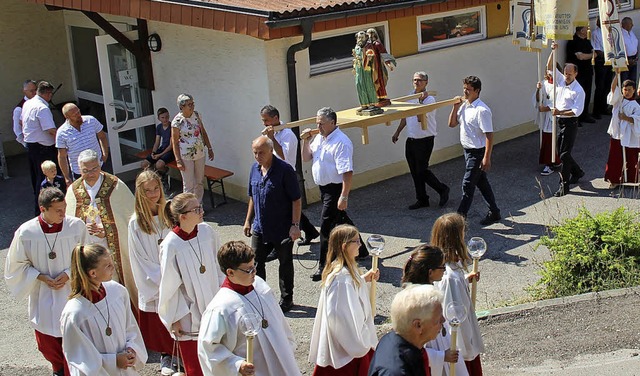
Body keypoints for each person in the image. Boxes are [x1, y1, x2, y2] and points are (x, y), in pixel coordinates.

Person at [5, 187, 87, 376]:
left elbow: (86, 256)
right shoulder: (26, 232)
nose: (63, 214)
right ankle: (58, 369)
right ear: (43, 209)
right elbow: (15, 265)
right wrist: (40, 277)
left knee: (77, 336)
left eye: (64, 208)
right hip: (43, 294)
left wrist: (68, 272)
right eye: (58, 210)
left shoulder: (76, 226)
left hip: (72, 291)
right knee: (48, 340)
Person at [198, 241, 301, 376]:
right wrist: (236, 364)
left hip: (281, 360)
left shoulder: (260, 285)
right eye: (248, 270)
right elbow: (208, 348)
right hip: (254, 369)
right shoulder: (221, 307)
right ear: (230, 272)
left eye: (254, 266)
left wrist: (287, 345)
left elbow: (279, 321)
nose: (254, 272)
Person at [158, 192, 223, 376]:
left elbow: (219, 267)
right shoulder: (171, 245)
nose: (201, 211)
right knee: (196, 368)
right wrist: (175, 318)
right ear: (183, 216)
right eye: (196, 209)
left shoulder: (207, 232)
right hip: (189, 315)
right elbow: (169, 287)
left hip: (213, 304)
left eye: (200, 206)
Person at [301, 107, 367, 281]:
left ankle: (323, 265)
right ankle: (363, 249)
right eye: (317, 122)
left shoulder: (341, 142)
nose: (318, 126)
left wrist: (344, 196)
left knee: (325, 228)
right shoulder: (319, 138)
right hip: (324, 189)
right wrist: (306, 141)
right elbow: (307, 158)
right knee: (342, 218)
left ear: (332, 122)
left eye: (321, 123)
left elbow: (347, 172)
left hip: (335, 189)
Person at [61, 244, 148, 375]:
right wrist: (113, 361)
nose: (113, 267)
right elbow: (80, 358)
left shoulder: (117, 291)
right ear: (93, 273)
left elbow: (130, 327)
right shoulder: (74, 313)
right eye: (107, 265)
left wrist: (132, 349)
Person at [65, 149, 137, 305]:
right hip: (86, 253)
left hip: (110, 252)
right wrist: (83, 229)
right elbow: (68, 225)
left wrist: (106, 231)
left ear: (100, 165)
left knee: (113, 291)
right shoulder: (73, 191)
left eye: (94, 169)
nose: (91, 173)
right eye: (85, 171)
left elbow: (131, 221)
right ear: (78, 170)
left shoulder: (116, 186)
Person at [309, 224, 379, 376]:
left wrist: (363, 280)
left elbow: (350, 290)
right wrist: (357, 343)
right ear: (344, 246)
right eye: (357, 241)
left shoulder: (348, 271)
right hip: (346, 349)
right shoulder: (341, 278)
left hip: (354, 342)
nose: (360, 245)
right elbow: (338, 315)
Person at [243, 136, 301, 312]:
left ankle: (287, 299)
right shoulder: (254, 169)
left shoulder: (285, 170)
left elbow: (296, 200)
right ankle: (260, 296)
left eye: (261, 152)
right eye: (255, 153)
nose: (257, 156)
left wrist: (295, 224)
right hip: (260, 227)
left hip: (282, 227)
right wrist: (248, 221)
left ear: (270, 151)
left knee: (284, 263)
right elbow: (252, 196)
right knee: (255, 262)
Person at [127, 170, 176, 375]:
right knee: (160, 318)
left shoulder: (169, 212)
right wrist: (162, 277)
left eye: (156, 188)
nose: (153, 194)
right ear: (140, 193)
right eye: (148, 191)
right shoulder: (136, 222)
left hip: (175, 273)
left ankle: (181, 353)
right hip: (154, 277)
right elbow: (139, 258)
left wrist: (175, 275)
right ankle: (167, 355)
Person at [401, 245, 468, 376]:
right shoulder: (416, 301)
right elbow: (412, 346)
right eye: (442, 267)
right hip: (433, 358)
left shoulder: (430, 290)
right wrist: (442, 356)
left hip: (443, 347)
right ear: (430, 272)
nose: (444, 270)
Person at [431, 213, 484, 376]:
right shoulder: (450, 277)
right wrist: (466, 349)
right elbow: (453, 315)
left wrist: (465, 280)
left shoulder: (449, 267)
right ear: (456, 238)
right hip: (460, 345)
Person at [260, 105, 320, 245]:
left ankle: (282, 243)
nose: (264, 124)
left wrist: (272, 139)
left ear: (276, 118)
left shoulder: (288, 135)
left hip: (286, 174)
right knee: (287, 207)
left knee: (285, 207)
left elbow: (284, 156)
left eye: (266, 120)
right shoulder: (270, 132)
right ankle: (310, 231)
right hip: (272, 172)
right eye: (263, 121)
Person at [392, 71, 449, 210]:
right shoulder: (411, 96)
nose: (417, 82)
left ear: (426, 83)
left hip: (425, 139)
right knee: (414, 171)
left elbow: (419, 118)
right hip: (411, 139)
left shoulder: (429, 99)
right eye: (415, 80)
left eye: (420, 80)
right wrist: (397, 132)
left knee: (422, 170)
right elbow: (405, 116)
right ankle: (422, 199)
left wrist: (421, 101)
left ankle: (442, 189)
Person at [448, 76, 500, 225]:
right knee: (481, 182)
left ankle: (459, 219)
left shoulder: (482, 110)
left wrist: (486, 157)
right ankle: (495, 212)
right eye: (464, 88)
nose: (465, 91)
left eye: (468, 89)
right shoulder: (464, 105)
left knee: (468, 184)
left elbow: (489, 135)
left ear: (477, 91)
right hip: (467, 151)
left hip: (477, 153)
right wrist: (455, 107)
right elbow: (452, 124)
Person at [367, 284, 445, 376]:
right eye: (438, 319)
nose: (443, 320)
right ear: (418, 325)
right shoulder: (397, 372)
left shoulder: (390, 339)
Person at [547, 43, 587, 197]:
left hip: (570, 123)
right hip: (560, 122)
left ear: (575, 74)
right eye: (565, 72)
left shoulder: (578, 91)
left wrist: (560, 111)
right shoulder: (561, 81)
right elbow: (549, 66)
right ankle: (577, 171)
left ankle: (564, 185)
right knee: (561, 152)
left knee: (564, 155)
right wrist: (553, 51)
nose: (567, 75)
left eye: (570, 73)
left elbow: (576, 112)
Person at [22, 81, 59, 214]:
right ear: (48, 94)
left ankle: (40, 208)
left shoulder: (28, 103)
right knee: (46, 178)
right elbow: (50, 130)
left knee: (36, 178)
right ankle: (43, 210)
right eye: (50, 94)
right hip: (43, 148)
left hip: (31, 146)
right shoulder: (42, 108)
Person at [171, 94, 214, 204]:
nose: (192, 106)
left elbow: (203, 132)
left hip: (199, 153)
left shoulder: (197, 115)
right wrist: (178, 160)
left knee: (199, 181)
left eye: (192, 103)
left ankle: (198, 205)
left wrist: (209, 148)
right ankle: (188, 206)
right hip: (186, 156)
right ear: (182, 107)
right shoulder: (177, 121)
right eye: (189, 104)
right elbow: (174, 141)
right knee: (188, 184)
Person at [56, 103, 109, 186]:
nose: (78, 115)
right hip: (79, 172)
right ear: (67, 117)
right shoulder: (61, 133)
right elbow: (62, 156)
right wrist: (66, 177)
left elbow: (102, 137)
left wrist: (105, 154)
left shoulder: (91, 120)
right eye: (74, 115)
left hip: (98, 166)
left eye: (78, 112)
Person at [605, 72, 640, 186]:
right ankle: (614, 180)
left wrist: (626, 118)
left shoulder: (636, 105)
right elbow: (613, 89)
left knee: (631, 157)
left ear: (634, 90)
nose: (627, 92)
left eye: (629, 90)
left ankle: (633, 179)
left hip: (630, 134)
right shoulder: (619, 101)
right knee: (615, 157)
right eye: (625, 90)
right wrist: (616, 73)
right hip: (617, 133)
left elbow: (638, 120)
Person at [566, 26, 595, 124]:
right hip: (578, 73)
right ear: (581, 31)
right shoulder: (573, 41)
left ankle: (584, 115)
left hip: (588, 71)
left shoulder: (587, 41)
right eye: (586, 29)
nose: (588, 30)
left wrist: (588, 56)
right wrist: (589, 56)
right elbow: (580, 57)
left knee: (586, 94)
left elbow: (593, 54)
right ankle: (575, 118)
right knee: (576, 95)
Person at [534, 72, 561, 176]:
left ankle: (552, 162)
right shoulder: (544, 83)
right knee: (546, 138)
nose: (549, 74)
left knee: (550, 139)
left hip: (554, 116)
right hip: (546, 117)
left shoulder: (559, 85)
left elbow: (558, 102)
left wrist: (546, 108)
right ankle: (551, 161)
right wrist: (538, 89)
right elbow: (537, 99)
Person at [364, 28, 396, 107]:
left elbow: (384, 55)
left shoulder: (377, 44)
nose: (370, 36)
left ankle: (381, 97)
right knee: (371, 82)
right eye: (368, 34)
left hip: (378, 67)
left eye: (371, 34)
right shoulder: (367, 45)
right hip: (370, 67)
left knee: (380, 81)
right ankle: (373, 97)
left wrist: (389, 65)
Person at [142, 107, 175, 174]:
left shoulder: (172, 127)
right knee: (144, 164)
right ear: (159, 118)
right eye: (162, 117)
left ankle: (165, 173)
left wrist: (160, 155)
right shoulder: (159, 127)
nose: (165, 119)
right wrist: (153, 153)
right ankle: (153, 176)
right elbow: (157, 142)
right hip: (162, 148)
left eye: (167, 117)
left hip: (171, 151)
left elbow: (171, 145)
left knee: (159, 165)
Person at [592, 17, 613, 119]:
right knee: (600, 86)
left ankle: (604, 107)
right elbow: (597, 50)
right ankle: (596, 111)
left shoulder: (609, 32)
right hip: (601, 61)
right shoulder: (596, 33)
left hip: (609, 61)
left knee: (607, 85)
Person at [353, 31, 378, 109]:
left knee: (368, 85)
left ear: (366, 38)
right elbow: (355, 57)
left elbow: (372, 57)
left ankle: (372, 103)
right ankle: (364, 104)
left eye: (362, 38)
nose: (360, 39)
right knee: (359, 85)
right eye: (359, 38)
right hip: (359, 69)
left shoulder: (368, 46)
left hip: (366, 69)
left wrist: (370, 57)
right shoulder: (356, 47)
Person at [12, 79, 37, 147]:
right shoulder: (19, 109)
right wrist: (25, 144)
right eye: (31, 91)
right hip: (31, 143)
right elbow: (17, 130)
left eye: (35, 90)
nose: (34, 93)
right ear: (24, 91)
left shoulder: (38, 103)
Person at [621, 17, 638, 84]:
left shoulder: (631, 33)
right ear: (625, 25)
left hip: (634, 59)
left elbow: (635, 44)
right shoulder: (621, 34)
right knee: (625, 82)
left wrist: (636, 56)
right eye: (631, 23)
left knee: (633, 81)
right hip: (626, 61)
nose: (632, 25)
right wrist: (627, 60)